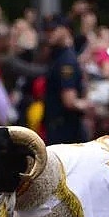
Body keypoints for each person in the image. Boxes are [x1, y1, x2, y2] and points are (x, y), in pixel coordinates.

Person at [41, 14, 90, 145]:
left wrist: (89, 104)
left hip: (65, 129)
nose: (49, 33)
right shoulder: (61, 57)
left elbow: (70, 100)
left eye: (53, 29)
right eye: (47, 30)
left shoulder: (65, 60)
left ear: (66, 30)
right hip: (59, 127)